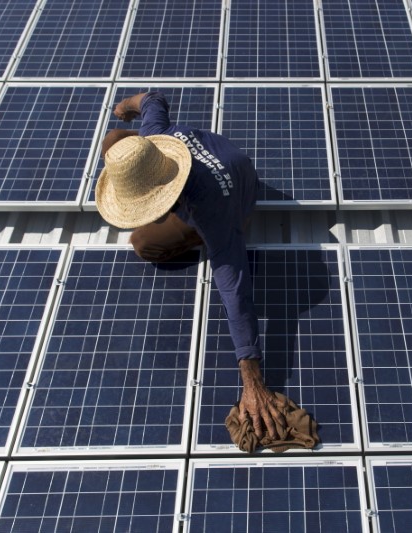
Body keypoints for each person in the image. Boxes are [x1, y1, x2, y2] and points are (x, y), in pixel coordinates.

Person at [96, 91, 286, 440]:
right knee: (114, 142)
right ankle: (129, 159)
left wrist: (252, 378)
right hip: (229, 159)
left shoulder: (208, 208)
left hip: (236, 200)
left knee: (144, 243)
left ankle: (193, 236)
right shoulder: (157, 139)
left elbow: (235, 288)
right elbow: (153, 99)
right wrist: (125, 107)